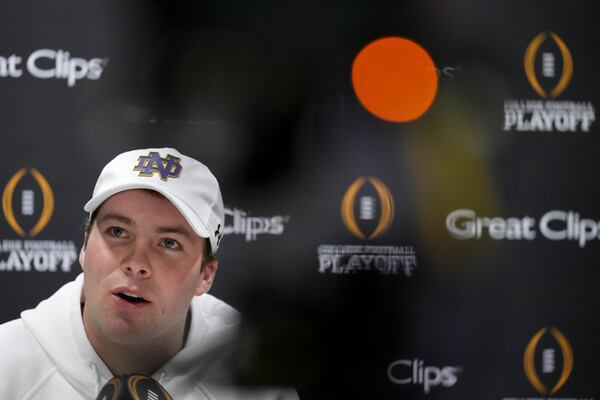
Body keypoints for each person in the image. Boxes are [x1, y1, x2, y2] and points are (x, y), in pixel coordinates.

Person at [0, 148, 299, 399]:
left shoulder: (258, 386)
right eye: (117, 231)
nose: (136, 262)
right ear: (85, 246)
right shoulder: (7, 364)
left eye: (169, 243)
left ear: (205, 275)